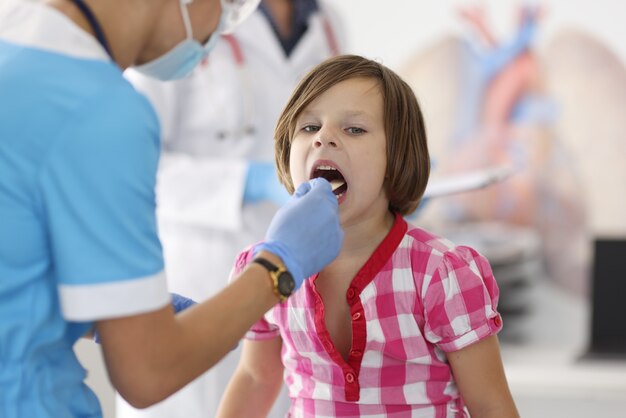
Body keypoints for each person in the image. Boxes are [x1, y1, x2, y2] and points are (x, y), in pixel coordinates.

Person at [0, 0, 343, 417]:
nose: (219, 29)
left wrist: (97, 315)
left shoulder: (15, 46)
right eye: (229, 9)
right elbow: (148, 372)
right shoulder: (100, 109)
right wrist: (279, 267)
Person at [216, 55, 520, 417]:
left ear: (397, 159)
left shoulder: (440, 274)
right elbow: (256, 377)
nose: (324, 138)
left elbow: (490, 406)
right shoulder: (266, 270)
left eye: (354, 129)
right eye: (309, 127)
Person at [116, 1, 343, 416]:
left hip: (302, 278)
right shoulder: (185, 16)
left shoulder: (325, 21)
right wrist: (247, 181)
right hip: (202, 268)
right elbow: (131, 169)